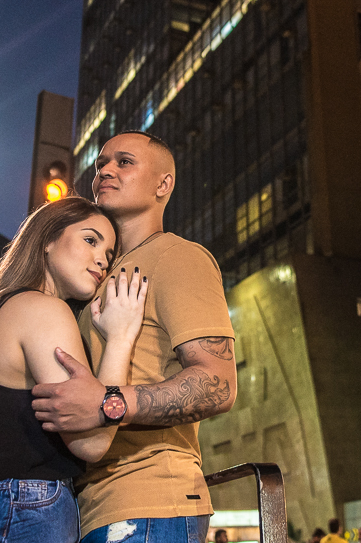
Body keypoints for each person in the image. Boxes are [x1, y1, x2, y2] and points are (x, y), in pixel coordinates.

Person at [32, 131, 238, 543]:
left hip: (151, 503)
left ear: (163, 184)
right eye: (100, 164)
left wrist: (109, 404)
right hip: (90, 510)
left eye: (124, 162)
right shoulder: (96, 276)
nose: (104, 170)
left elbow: (220, 384)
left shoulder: (179, 257)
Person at [0, 197, 148, 543]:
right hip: (20, 509)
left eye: (110, 253)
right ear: (47, 240)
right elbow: (92, 442)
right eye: (90, 240)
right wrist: (120, 337)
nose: (103, 259)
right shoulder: (43, 310)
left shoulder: (2, 310)